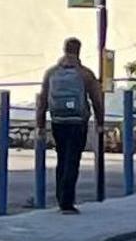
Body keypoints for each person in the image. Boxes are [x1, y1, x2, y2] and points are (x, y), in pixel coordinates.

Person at [39, 38, 98, 214]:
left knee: (62, 159)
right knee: (73, 160)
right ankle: (67, 202)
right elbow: (97, 100)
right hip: (78, 121)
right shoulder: (85, 74)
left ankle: (61, 199)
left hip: (58, 120)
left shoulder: (51, 73)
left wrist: (40, 125)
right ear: (79, 51)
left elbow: (42, 100)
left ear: (64, 49)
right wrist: (100, 123)